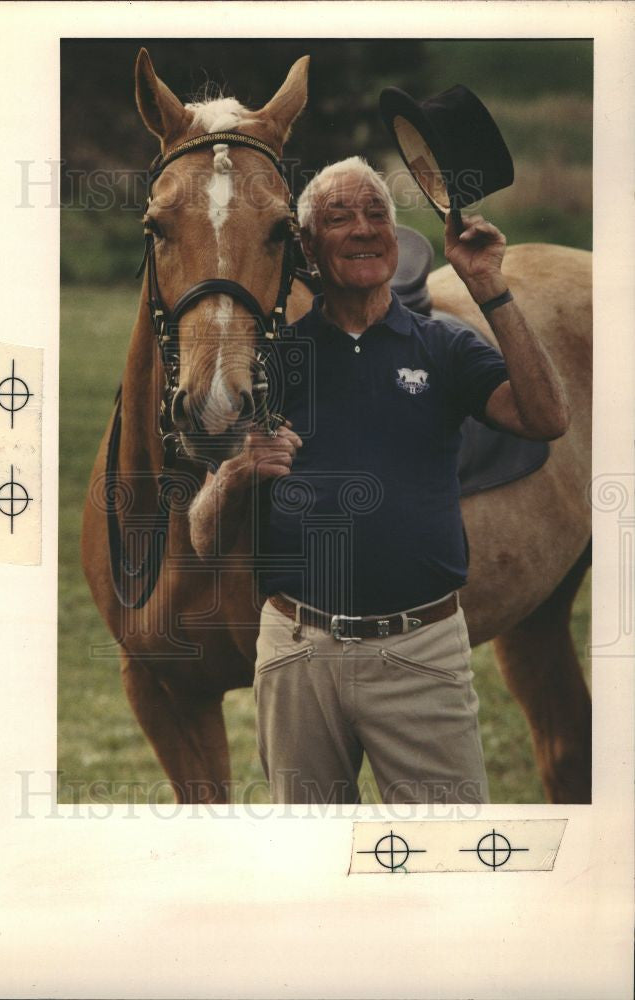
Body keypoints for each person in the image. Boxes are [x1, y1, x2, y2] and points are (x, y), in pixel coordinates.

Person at [188, 156, 569, 804]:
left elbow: (544, 416)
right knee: (311, 866)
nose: (363, 228)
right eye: (339, 217)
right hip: (296, 653)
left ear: (395, 239)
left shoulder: (442, 347)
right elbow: (202, 536)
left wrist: (490, 289)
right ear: (306, 247)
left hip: (421, 651)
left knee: (446, 859)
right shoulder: (272, 364)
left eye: (376, 215)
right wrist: (235, 475)